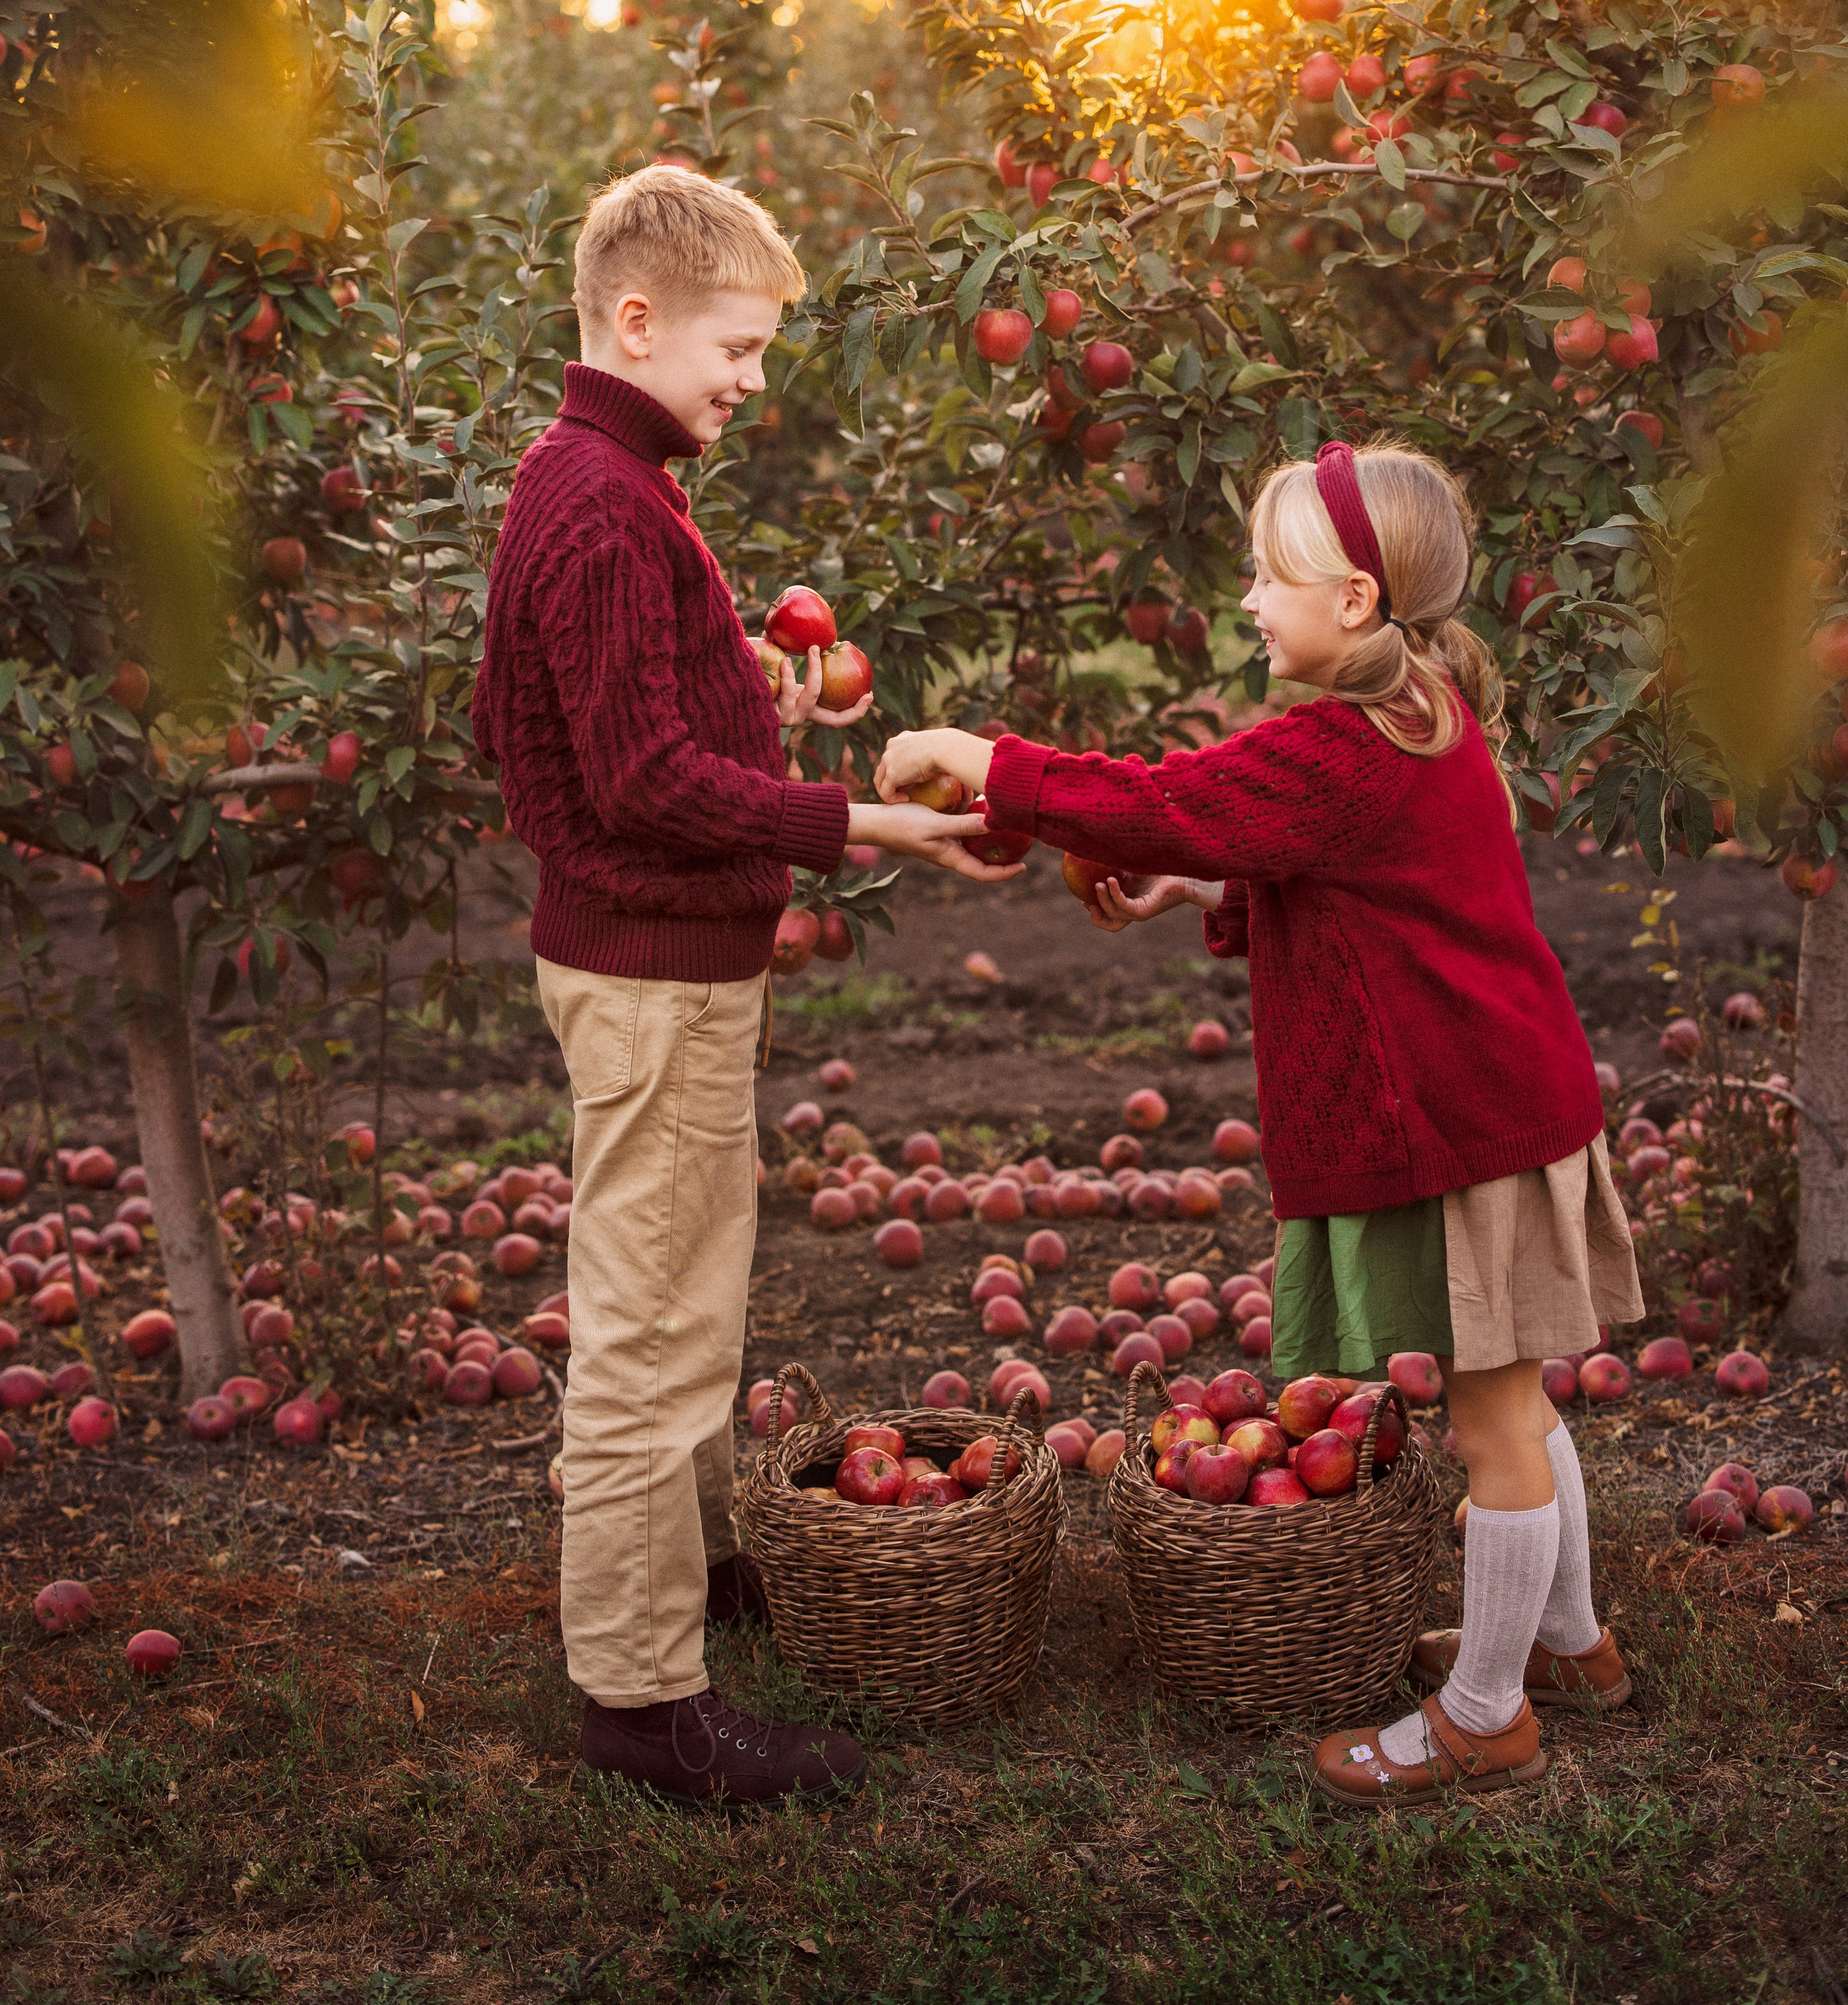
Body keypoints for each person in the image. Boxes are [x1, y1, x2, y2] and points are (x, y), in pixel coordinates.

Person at [875, 439, 1642, 1806]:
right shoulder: (1418, 707)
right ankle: (1571, 1644)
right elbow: (1331, 866)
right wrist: (1195, 891)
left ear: (1354, 598)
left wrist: (982, 758)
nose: (1245, 598)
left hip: (1472, 1119)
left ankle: (1487, 1716)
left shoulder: (1344, 742)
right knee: (1516, 1394)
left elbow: (1171, 802)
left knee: (1496, 1422)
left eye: (1267, 576)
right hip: (1499, 1101)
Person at [472, 164, 1011, 1806]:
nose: (754, 379)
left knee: (687, 1292)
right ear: (637, 322)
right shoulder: (607, 504)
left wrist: (754, 696)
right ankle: (643, 1701)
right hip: (653, 979)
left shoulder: (599, 480)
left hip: (657, 963)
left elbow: (559, 719)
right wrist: (856, 824)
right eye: (740, 346)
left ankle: (694, 1577)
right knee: (653, 1335)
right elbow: (635, 780)